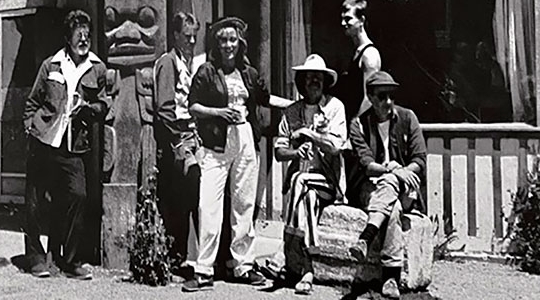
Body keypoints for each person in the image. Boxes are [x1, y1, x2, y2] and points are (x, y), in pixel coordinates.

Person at [182, 16, 292, 292]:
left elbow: (265, 100)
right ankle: (204, 270)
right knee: (209, 205)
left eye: (232, 39)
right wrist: (219, 113)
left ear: (240, 42)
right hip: (215, 143)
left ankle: (242, 265)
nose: (228, 45)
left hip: (244, 138)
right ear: (216, 44)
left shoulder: (249, 73)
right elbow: (193, 106)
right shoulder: (206, 71)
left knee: (243, 204)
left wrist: (295, 104)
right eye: (222, 40)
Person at [23, 10, 109, 280]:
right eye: (78, 33)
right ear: (67, 37)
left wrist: (88, 108)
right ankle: (36, 259)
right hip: (44, 141)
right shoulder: (51, 65)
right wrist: (30, 126)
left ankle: (70, 261)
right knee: (35, 204)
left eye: (87, 33)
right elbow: (32, 102)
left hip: (73, 146)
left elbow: (105, 105)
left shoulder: (98, 68)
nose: (83, 38)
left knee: (78, 196)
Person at [348, 71, 427, 299]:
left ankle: (366, 236)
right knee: (392, 209)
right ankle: (391, 277)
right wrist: (393, 169)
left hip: (402, 186)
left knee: (392, 182)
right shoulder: (359, 125)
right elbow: (367, 164)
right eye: (382, 96)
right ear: (371, 97)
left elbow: (419, 159)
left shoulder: (407, 117)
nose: (389, 102)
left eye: (391, 96)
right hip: (369, 187)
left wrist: (400, 171)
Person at [274, 54, 347, 295]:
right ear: (301, 82)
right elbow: (279, 152)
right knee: (305, 195)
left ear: (325, 82)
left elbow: (335, 147)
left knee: (299, 180)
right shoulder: (292, 111)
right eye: (308, 78)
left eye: (318, 78)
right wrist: (296, 152)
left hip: (328, 180)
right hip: (304, 188)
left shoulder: (335, 108)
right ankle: (308, 270)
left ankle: (283, 253)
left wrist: (309, 134)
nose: (313, 82)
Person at [153, 12, 204, 274]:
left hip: (195, 136)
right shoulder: (167, 63)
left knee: (196, 194)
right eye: (186, 36)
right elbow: (164, 108)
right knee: (184, 193)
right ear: (174, 35)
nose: (191, 41)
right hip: (177, 136)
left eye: (195, 36)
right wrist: (177, 141)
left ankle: (194, 256)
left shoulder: (190, 63)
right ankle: (180, 256)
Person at [334, 0, 381, 121]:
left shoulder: (369, 55)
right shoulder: (355, 52)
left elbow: (370, 98)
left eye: (348, 19)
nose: (343, 23)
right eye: (342, 19)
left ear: (361, 21)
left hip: (361, 126)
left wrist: (355, 124)